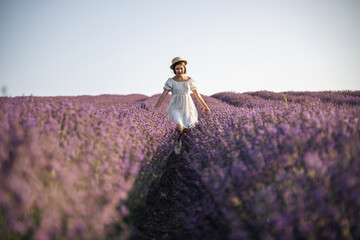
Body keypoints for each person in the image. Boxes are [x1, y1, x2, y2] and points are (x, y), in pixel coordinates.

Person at [155, 57, 211, 152]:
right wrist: (156, 108)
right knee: (179, 127)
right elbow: (163, 95)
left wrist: (205, 107)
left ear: (184, 68)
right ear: (174, 70)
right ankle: (178, 143)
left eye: (181, 68)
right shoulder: (171, 81)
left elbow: (197, 95)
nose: (179, 70)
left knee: (187, 130)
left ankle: (187, 149)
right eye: (177, 69)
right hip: (175, 107)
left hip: (188, 107)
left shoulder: (190, 80)